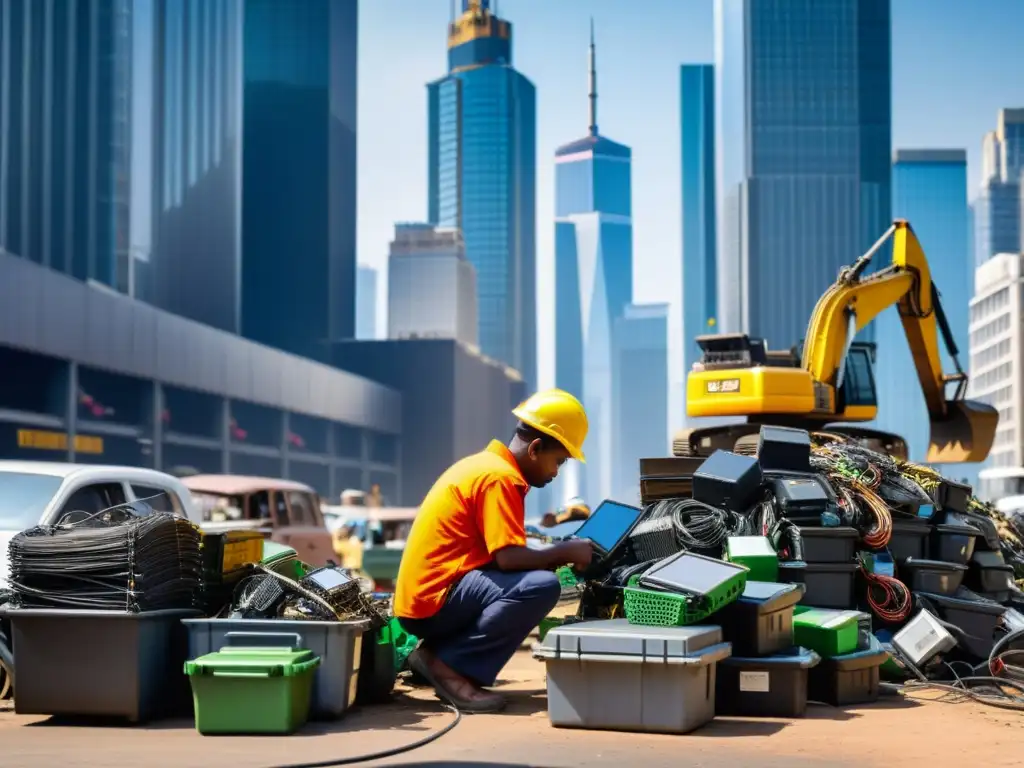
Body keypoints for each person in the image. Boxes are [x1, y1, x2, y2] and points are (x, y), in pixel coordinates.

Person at [393, 389, 592, 713]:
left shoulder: (485, 466)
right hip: (432, 603)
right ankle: (448, 668)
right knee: (541, 586)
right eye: (558, 461)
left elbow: (503, 552)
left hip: (426, 598)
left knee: (535, 575)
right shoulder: (500, 479)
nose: (556, 472)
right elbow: (509, 558)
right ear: (536, 448)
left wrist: (554, 553)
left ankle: (436, 654)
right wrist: (567, 551)